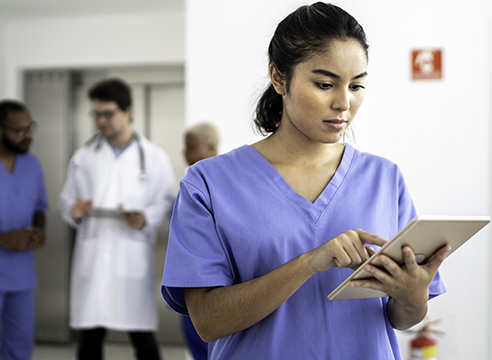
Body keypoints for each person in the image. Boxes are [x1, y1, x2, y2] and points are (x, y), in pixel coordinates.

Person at [161, 3, 448, 359]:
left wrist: (413, 296)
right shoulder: (209, 183)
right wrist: (310, 262)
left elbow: (402, 318)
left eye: (356, 86)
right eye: (325, 84)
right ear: (279, 78)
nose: (344, 103)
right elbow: (207, 321)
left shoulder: (384, 178)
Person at [59, 79, 175, 360]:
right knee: (89, 339)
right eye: (96, 114)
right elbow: (66, 200)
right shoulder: (83, 158)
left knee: (143, 340)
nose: (101, 120)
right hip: (94, 257)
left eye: (107, 114)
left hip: (131, 257)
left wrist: (146, 217)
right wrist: (73, 211)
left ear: (128, 111)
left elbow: (168, 202)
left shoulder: (155, 158)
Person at [0, 100, 47, 360]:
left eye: (30, 128)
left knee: (19, 349)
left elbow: (40, 207)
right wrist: (3, 237)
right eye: (20, 131)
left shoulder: (32, 165)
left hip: (21, 277)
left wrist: (40, 230)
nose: (28, 136)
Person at [179, 122, 220, 359]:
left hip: (213, 283)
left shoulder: (222, 184)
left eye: (190, 147)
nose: (185, 153)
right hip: (189, 280)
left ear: (210, 149)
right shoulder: (191, 182)